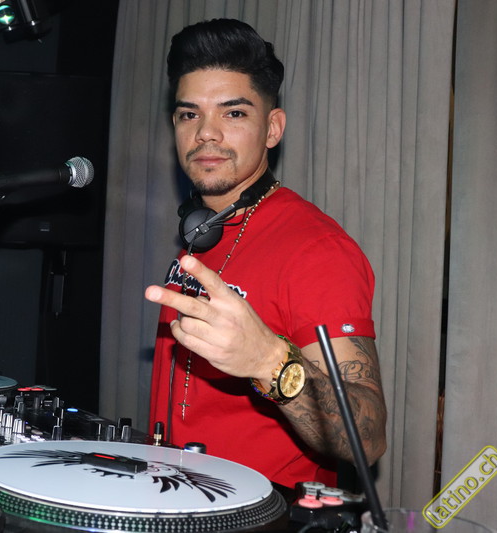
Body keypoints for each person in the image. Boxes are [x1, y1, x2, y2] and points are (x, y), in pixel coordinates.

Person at [144, 18, 387, 488]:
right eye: (189, 114)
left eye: (233, 113)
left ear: (273, 128)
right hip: (177, 501)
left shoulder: (318, 250)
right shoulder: (203, 231)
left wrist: (268, 363)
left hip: (268, 514)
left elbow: (368, 437)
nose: (206, 134)